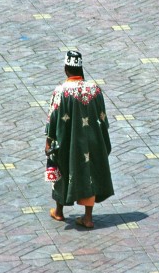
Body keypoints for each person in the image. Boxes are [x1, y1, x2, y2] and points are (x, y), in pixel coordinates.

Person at [45, 51, 114, 229]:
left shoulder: (61, 91)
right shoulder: (94, 89)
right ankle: (88, 218)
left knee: (62, 167)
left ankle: (59, 212)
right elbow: (102, 118)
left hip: (68, 142)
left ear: (66, 68)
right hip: (91, 142)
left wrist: (49, 142)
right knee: (89, 172)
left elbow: (53, 118)